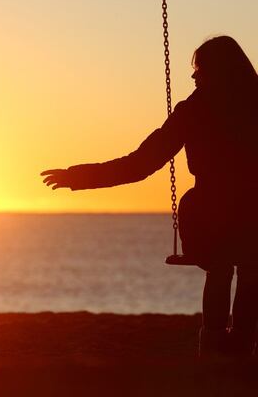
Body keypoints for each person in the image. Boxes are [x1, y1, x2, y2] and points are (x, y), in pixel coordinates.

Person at [41, 36, 258, 358]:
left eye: (200, 69)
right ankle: (240, 345)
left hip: (210, 215)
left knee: (222, 267)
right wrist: (81, 177)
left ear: (216, 72)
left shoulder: (193, 111)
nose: (194, 76)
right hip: (248, 214)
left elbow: (141, 164)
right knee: (251, 269)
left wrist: (81, 177)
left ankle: (215, 348)